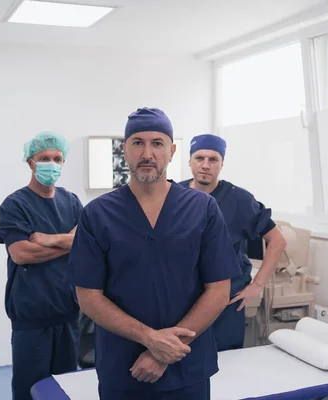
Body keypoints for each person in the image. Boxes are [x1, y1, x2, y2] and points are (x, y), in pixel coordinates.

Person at [69, 108, 242, 400]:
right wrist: (150, 339)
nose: (147, 153)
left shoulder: (203, 209)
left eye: (157, 143)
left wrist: (164, 353)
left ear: (172, 151)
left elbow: (218, 290)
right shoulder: (98, 214)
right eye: (137, 143)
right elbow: (88, 297)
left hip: (187, 364)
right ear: (124, 149)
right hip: (124, 367)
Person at [0, 131, 83, 400]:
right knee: (30, 390)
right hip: (31, 316)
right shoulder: (15, 205)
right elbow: (22, 253)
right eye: (44, 158)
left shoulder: (72, 201)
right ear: (30, 162)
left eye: (57, 158)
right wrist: (68, 242)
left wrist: (49, 239)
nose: (51, 163)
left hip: (68, 312)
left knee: (65, 388)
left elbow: (87, 242)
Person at [179, 134, 287, 352]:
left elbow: (277, 240)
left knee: (227, 366)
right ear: (189, 161)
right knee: (183, 359)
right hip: (184, 301)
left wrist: (257, 285)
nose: (205, 165)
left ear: (222, 164)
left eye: (213, 160)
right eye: (199, 158)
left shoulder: (239, 200)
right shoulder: (173, 196)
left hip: (226, 303)